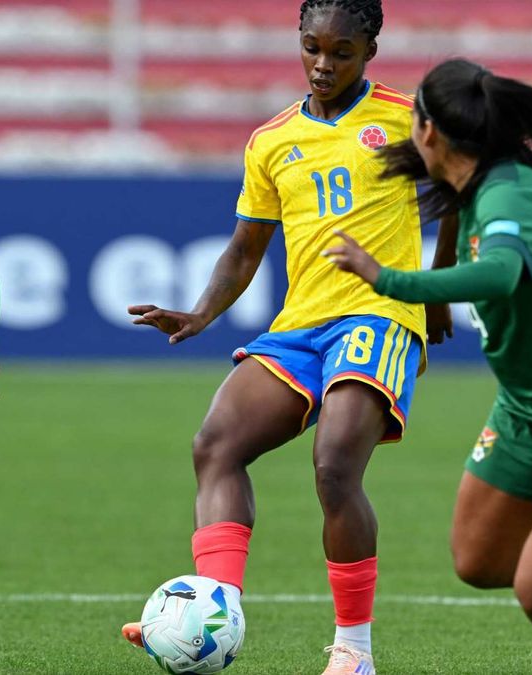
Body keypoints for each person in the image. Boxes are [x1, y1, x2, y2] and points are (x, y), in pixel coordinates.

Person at [121, 1, 453, 672]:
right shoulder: (271, 139)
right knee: (216, 445)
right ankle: (214, 611)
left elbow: (459, 192)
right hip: (300, 325)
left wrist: (439, 287)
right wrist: (202, 313)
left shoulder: (405, 118)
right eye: (312, 47)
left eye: (341, 52)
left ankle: (353, 652)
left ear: (369, 51)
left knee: (334, 467)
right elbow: (245, 249)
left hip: (379, 315)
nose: (323, 64)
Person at [324, 58, 532, 675]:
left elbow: (503, 272)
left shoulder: (512, 192)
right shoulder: (473, 185)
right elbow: (463, 231)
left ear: (429, 130)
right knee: (479, 560)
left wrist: (392, 280)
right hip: (526, 405)